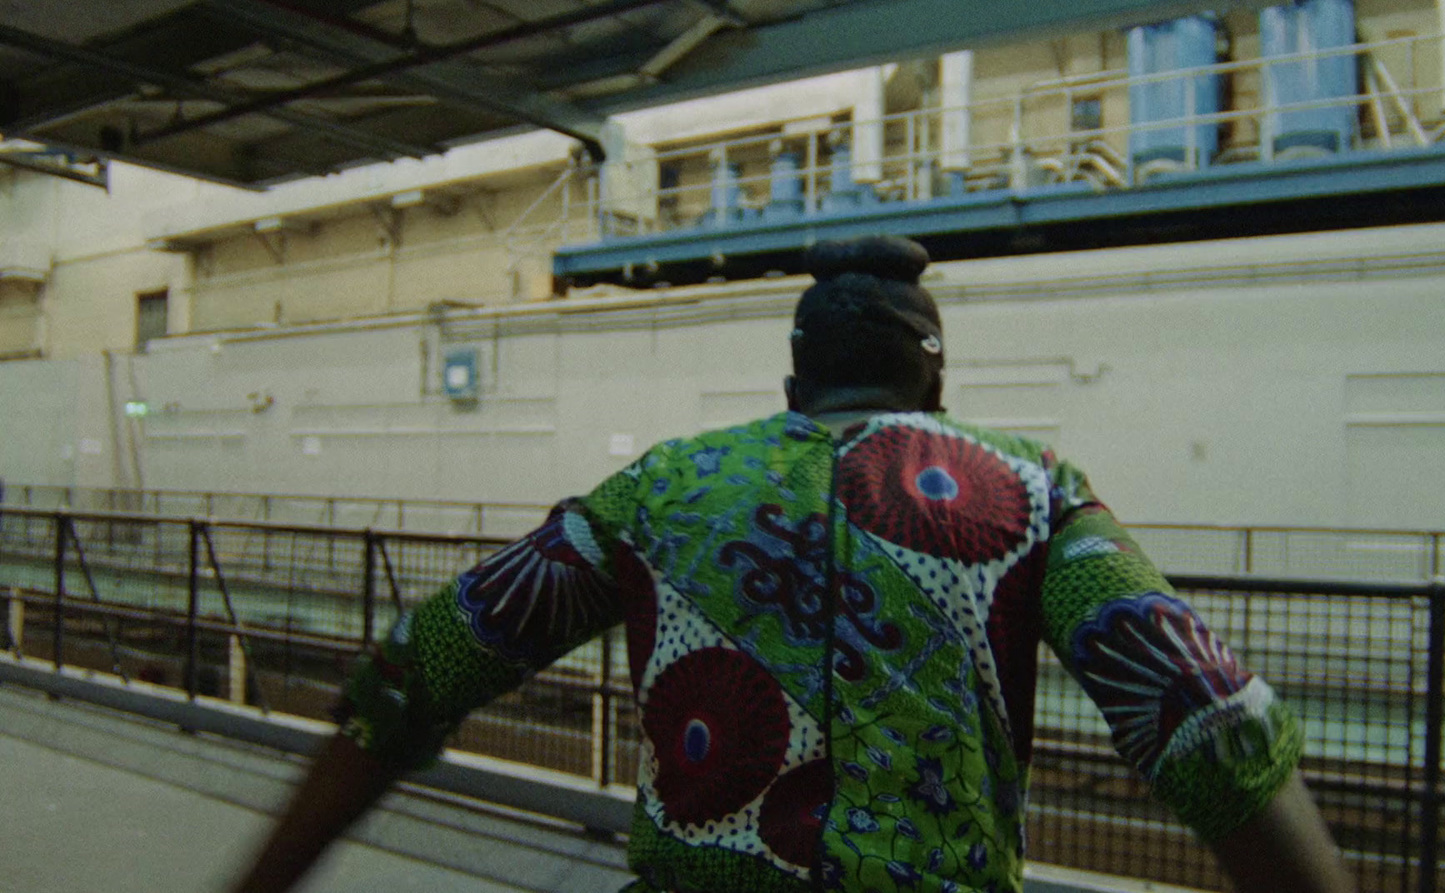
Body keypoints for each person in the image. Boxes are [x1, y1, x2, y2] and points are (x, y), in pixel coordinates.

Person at [232, 236, 1356, 893]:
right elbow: (1211, 725)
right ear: (934, 386)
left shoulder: (661, 489)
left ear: (792, 386)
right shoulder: (1027, 490)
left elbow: (418, 666)